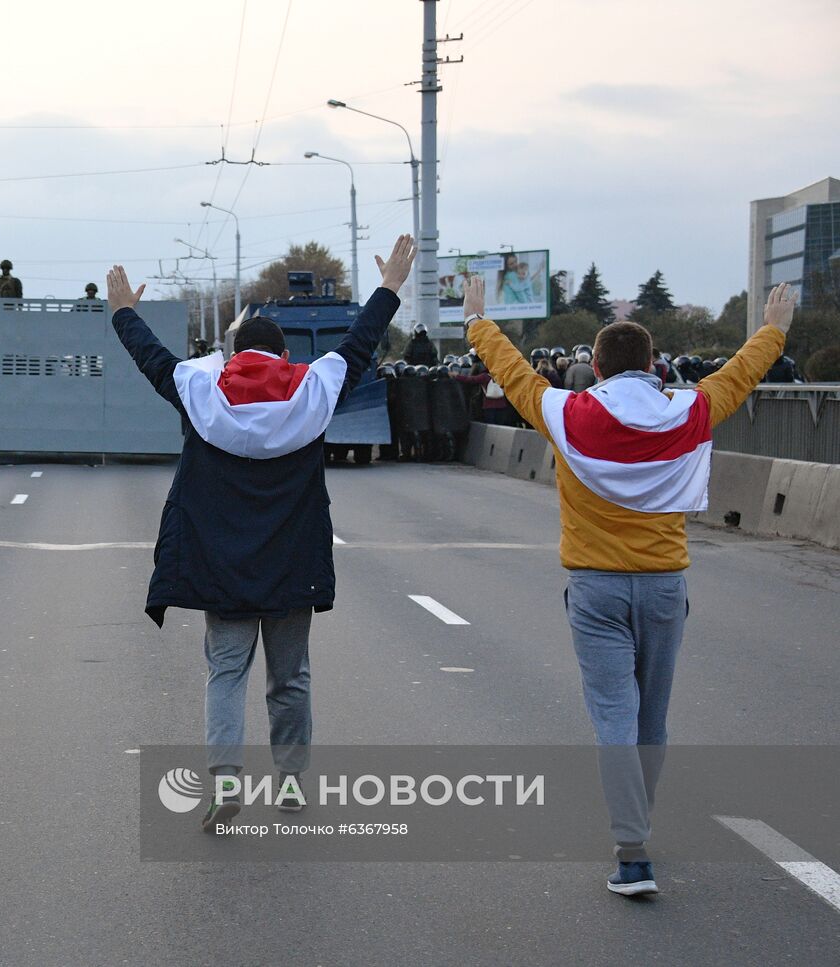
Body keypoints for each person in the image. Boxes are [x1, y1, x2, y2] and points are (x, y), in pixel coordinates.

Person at [461, 274, 796, 898]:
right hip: (666, 587)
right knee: (652, 719)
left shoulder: (566, 412)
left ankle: (631, 849)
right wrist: (773, 328)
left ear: (593, 366)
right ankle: (638, 824)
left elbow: (512, 374)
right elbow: (740, 375)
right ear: (653, 364)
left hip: (595, 589)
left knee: (613, 716)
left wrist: (479, 321)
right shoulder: (689, 409)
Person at [106, 235, 416, 832]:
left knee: (226, 672)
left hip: (221, 564)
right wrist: (390, 288)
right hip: (292, 561)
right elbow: (359, 344)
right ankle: (292, 782)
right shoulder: (317, 391)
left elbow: (151, 358)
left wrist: (123, 311)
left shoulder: (200, 391)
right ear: (284, 356)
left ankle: (224, 781)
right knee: (291, 676)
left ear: (235, 355)